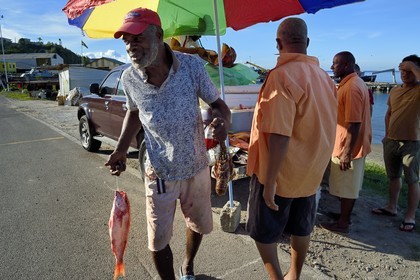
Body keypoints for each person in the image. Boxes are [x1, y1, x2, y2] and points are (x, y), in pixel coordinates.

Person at [105, 8, 231, 280]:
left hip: (196, 165)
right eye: (126, 40)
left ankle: (188, 266)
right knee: (157, 240)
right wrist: (120, 149)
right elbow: (134, 112)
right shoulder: (129, 78)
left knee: (197, 225)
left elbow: (218, 105)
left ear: (159, 35)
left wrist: (224, 123)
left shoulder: (192, 66)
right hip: (158, 171)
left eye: (137, 37)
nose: (130, 46)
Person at [246, 18, 337, 280]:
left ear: (278, 44)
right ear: (307, 43)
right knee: (302, 227)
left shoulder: (282, 76)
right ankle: (294, 274)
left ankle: (278, 278)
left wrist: (270, 182)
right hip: (311, 171)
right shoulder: (325, 78)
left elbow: (278, 134)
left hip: (281, 173)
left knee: (263, 232)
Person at [320, 51, 372, 234]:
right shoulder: (351, 83)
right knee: (345, 185)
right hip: (348, 145)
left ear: (347, 65)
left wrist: (347, 153)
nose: (332, 67)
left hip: (349, 148)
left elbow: (354, 123)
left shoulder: (351, 88)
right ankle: (343, 216)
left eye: (335, 64)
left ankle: (343, 223)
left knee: (348, 187)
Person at [372, 55, 420, 232]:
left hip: (412, 142)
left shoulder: (418, 90)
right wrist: (386, 135)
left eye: (409, 70)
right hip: (391, 141)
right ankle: (391, 207)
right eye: (402, 70)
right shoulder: (395, 91)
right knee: (393, 176)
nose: (404, 74)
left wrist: (413, 66)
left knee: (412, 180)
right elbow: (389, 113)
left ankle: (410, 216)